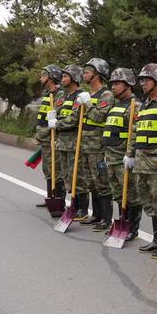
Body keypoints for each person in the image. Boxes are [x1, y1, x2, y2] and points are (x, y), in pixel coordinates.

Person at [124, 63, 157, 258]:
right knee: (149, 203)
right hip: (141, 163)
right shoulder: (144, 104)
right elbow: (135, 132)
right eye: (141, 80)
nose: (142, 83)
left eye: (146, 79)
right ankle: (156, 240)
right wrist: (130, 154)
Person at [100, 68, 140, 237]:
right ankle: (121, 221)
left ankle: (132, 228)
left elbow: (136, 133)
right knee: (118, 193)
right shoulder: (115, 106)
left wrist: (130, 155)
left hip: (124, 158)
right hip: (111, 157)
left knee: (131, 194)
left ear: (128, 85)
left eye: (117, 83)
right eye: (112, 84)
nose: (113, 87)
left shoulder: (135, 106)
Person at [48, 64, 88, 219]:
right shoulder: (64, 96)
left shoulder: (81, 95)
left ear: (74, 78)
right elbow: (59, 113)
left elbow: (75, 118)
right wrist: (52, 117)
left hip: (74, 142)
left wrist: (57, 123)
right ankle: (74, 205)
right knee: (67, 176)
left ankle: (82, 209)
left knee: (77, 175)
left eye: (66, 76)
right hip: (62, 142)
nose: (62, 79)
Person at [78, 58, 114, 228]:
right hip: (85, 144)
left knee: (101, 181)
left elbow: (100, 116)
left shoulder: (106, 94)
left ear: (97, 74)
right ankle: (97, 214)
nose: (84, 74)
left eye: (87, 72)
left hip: (98, 145)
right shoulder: (89, 95)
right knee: (90, 181)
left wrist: (88, 104)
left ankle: (106, 219)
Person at [35, 64, 66, 215]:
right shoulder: (48, 94)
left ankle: (58, 200)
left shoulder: (59, 93)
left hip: (53, 138)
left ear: (51, 77)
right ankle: (50, 197)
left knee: (56, 170)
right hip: (45, 138)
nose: (41, 78)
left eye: (44, 75)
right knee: (48, 169)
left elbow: (58, 116)